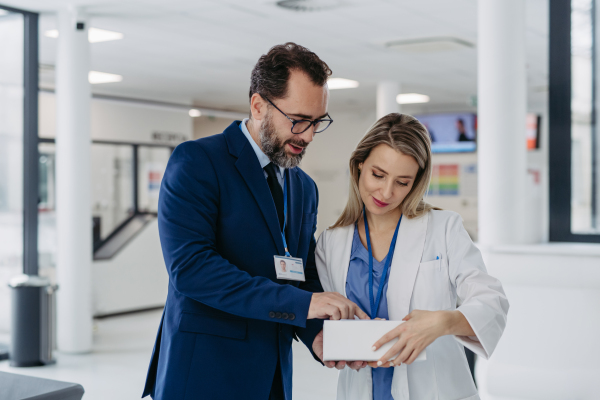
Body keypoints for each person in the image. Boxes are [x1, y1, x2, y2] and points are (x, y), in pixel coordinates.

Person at [142, 43, 368, 400]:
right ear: (259, 105)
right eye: (298, 120)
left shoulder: (303, 187)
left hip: (273, 379)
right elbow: (192, 269)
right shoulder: (198, 162)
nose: (308, 136)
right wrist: (303, 305)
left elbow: (301, 271)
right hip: (204, 374)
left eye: (317, 122)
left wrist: (315, 334)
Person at [315, 113, 509, 400]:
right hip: (361, 387)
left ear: (416, 182)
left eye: (402, 182)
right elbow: (324, 322)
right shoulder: (331, 243)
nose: (386, 191)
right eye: (378, 175)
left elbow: (492, 302)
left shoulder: (444, 228)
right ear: (359, 167)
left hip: (434, 389)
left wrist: (442, 322)